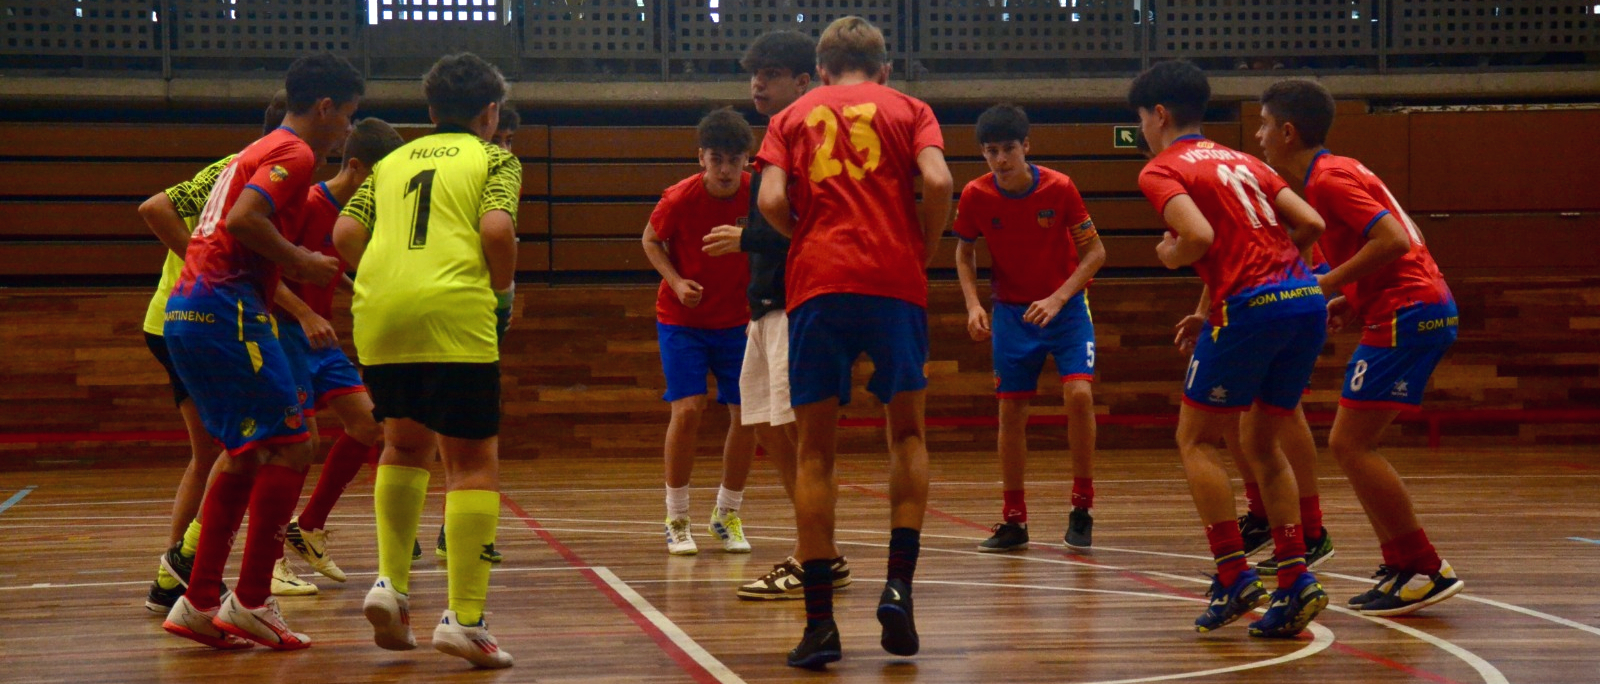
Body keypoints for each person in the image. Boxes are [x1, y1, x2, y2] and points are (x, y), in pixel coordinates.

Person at [755, 16, 952, 669]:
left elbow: (770, 199)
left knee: (815, 454)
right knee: (909, 436)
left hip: (817, 285)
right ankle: (898, 588)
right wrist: (919, 248)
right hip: (895, 281)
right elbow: (941, 182)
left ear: (819, 69)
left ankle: (820, 628)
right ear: (884, 69)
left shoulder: (792, 115)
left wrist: (806, 234)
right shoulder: (911, 108)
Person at [161, 53, 362, 651]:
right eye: (348, 116)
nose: (347, 128)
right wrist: (301, 261)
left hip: (190, 311)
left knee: (246, 455)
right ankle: (251, 600)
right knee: (297, 444)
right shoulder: (295, 154)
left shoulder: (260, 147)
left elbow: (235, 227)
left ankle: (198, 603)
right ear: (326, 107)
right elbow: (247, 222)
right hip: (228, 313)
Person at [1130, 59, 1329, 639]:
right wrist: (1246, 280)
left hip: (1251, 309)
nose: (1143, 129)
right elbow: (1311, 224)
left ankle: (1235, 574)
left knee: (1195, 438)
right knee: (1262, 441)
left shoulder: (1161, 169)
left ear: (1159, 115)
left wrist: (1172, 255)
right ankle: (1295, 580)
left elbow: (1198, 237)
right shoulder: (1244, 159)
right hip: (1304, 300)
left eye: (1142, 119)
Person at [333, 51, 519, 669]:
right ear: (490, 113)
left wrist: (387, 281)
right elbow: (496, 231)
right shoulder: (494, 158)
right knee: (470, 464)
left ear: (430, 109)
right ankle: (466, 619)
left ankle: (391, 584)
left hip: (380, 317)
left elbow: (343, 236)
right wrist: (503, 291)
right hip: (454, 316)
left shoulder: (389, 160)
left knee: (402, 444)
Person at [1257, 78, 1464, 616]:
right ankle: (1402, 564)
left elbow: (1393, 240)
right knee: (1351, 444)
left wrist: (1322, 286)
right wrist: (1351, 297)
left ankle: (1424, 566)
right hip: (1406, 308)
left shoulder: (1326, 179)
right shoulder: (1337, 170)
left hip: (1411, 311)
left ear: (1286, 130)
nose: (1256, 136)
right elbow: (1390, 244)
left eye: (1261, 124)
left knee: (1351, 444)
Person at [704, 29, 854, 597]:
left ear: (804, 81)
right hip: (764, 307)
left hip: (799, 305)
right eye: (754, 72)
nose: (757, 82)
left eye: (770, 73)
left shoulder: (813, 140)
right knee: (762, 423)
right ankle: (824, 549)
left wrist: (747, 241)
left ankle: (812, 553)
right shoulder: (775, 139)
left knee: (804, 435)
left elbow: (813, 226)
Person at [137, 93, 287, 613]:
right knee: (235, 451)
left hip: (184, 318)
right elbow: (154, 207)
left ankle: (175, 575)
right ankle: (180, 570)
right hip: (195, 318)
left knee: (212, 454)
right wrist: (203, 264)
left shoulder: (252, 169)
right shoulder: (246, 168)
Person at [953, 104, 1105, 552]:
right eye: (991, 151)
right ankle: (1014, 521)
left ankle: (1082, 507)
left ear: (1027, 147)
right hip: (1011, 315)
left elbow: (1096, 253)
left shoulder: (1060, 188)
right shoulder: (976, 195)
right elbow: (963, 253)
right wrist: (972, 304)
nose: (1001, 160)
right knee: (1010, 414)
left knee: (1078, 394)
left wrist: (1059, 297)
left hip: (1067, 309)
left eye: (1009, 149)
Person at [278, 118, 406, 585]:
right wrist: (305, 315)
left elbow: (329, 266)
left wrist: (358, 287)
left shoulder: (357, 214)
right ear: (355, 166)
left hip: (321, 339)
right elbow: (264, 268)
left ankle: (307, 527)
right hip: (286, 335)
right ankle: (271, 560)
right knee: (294, 447)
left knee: (368, 422)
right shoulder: (309, 202)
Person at [642, 108, 759, 556]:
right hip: (683, 321)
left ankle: (727, 512)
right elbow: (650, 240)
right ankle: (676, 516)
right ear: (701, 158)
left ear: (748, 159)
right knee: (688, 409)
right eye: (717, 159)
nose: (726, 169)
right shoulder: (679, 198)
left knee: (746, 415)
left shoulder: (758, 196)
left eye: (734, 159)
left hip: (738, 321)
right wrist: (675, 281)